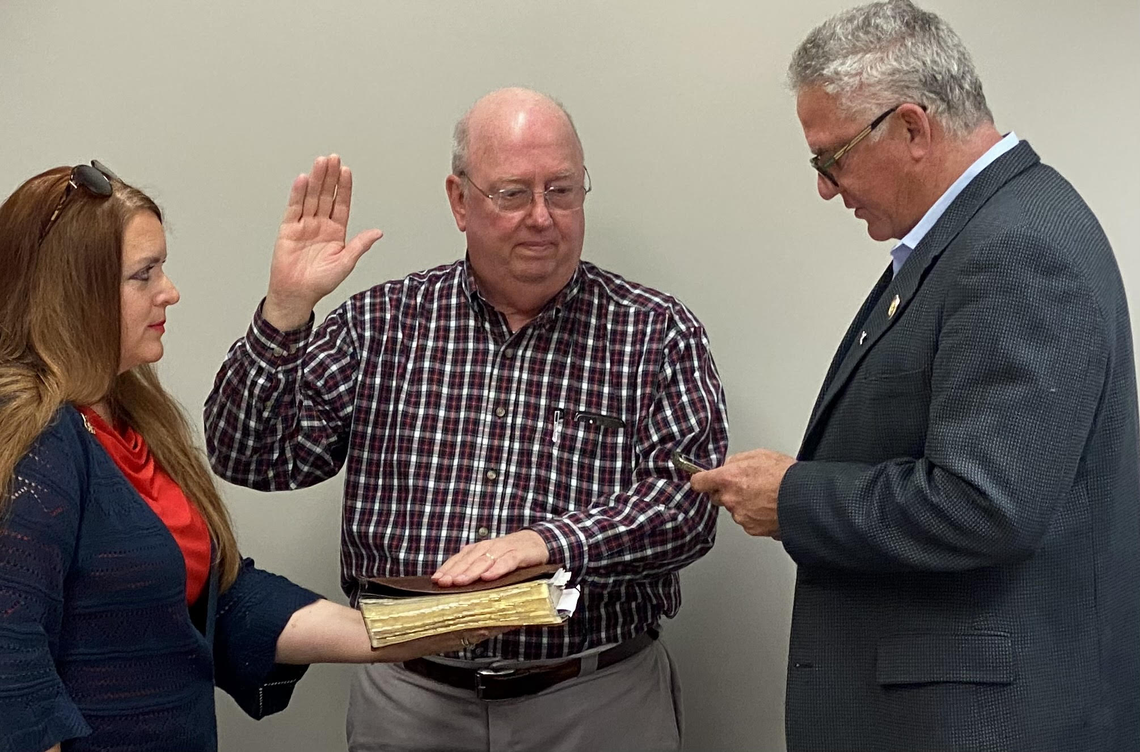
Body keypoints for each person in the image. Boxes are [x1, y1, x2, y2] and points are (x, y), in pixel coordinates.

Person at [204, 87, 728, 751]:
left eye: (562, 191)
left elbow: (688, 508)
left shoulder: (654, 331)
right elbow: (250, 456)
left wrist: (550, 543)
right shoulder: (382, 324)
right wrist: (283, 314)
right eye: (513, 193)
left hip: (592, 699)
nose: (542, 217)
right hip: (410, 702)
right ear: (460, 200)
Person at [691, 1, 1140, 750]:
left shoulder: (1016, 248)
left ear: (910, 127)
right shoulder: (986, 232)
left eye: (830, 158)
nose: (827, 188)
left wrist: (794, 497)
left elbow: (983, 505)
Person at [0, 162, 496, 752]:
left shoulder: (127, 411)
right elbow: (11, 664)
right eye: (144, 274)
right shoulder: (36, 438)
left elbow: (224, 595)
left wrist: (416, 627)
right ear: (72, 293)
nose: (170, 291)